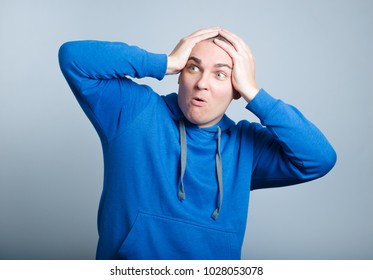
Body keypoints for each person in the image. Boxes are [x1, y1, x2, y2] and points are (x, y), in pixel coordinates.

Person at [58, 27, 336, 260]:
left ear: (236, 89)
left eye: (220, 74)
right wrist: (164, 62)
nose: (202, 83)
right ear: (181, 74)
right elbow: (73, 57)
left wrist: (254, 92)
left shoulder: (245, 147)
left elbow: (319, 158)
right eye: (193, 67)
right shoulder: (134, 112)